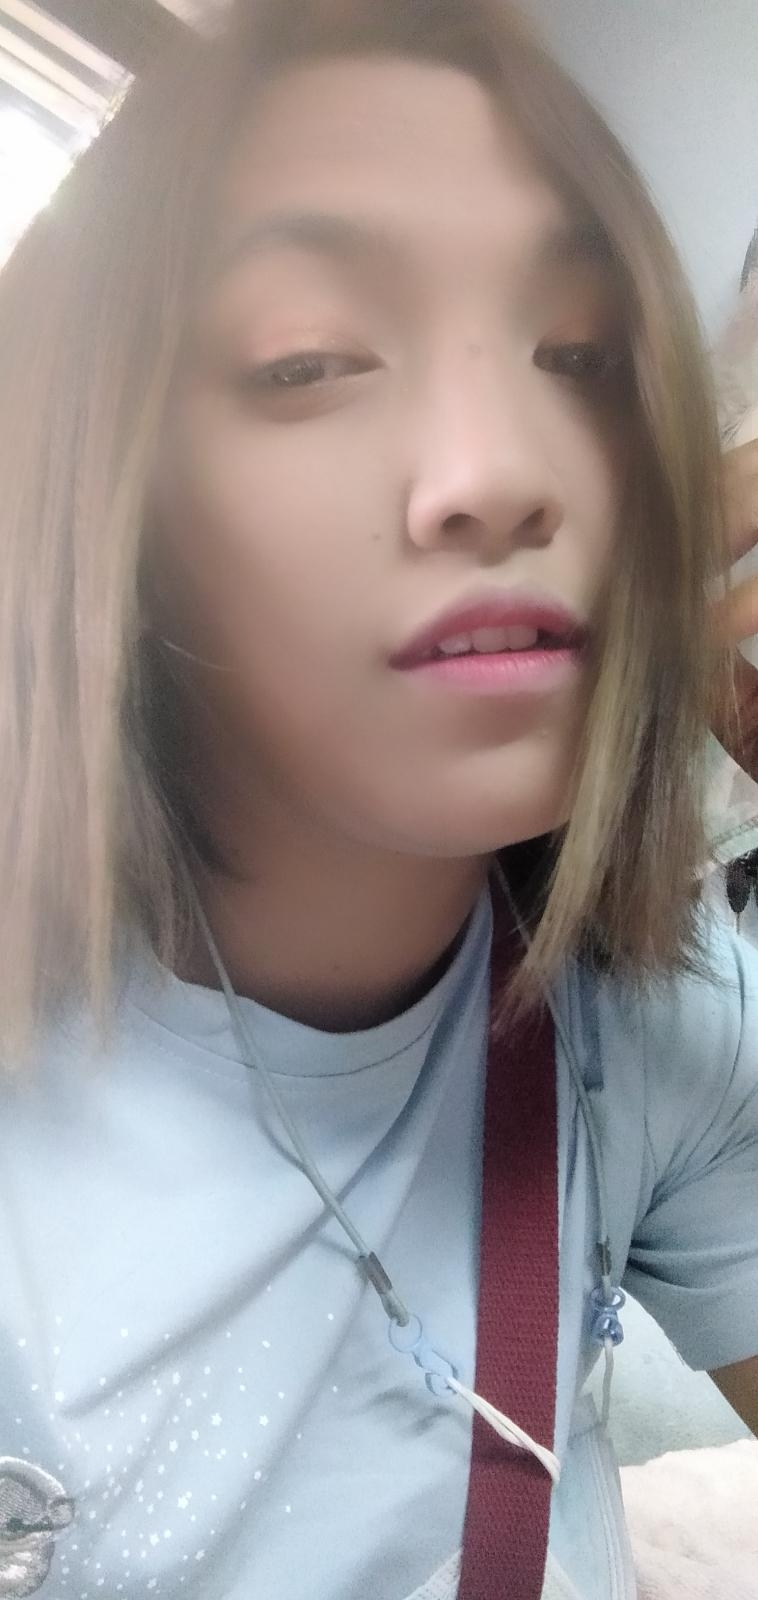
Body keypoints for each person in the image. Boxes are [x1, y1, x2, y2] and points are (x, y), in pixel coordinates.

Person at [0, 3, 757, 1598]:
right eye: (309, 360)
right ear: (103, 489)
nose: (500, 469)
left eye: (579, 355)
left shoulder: (652, 1018)